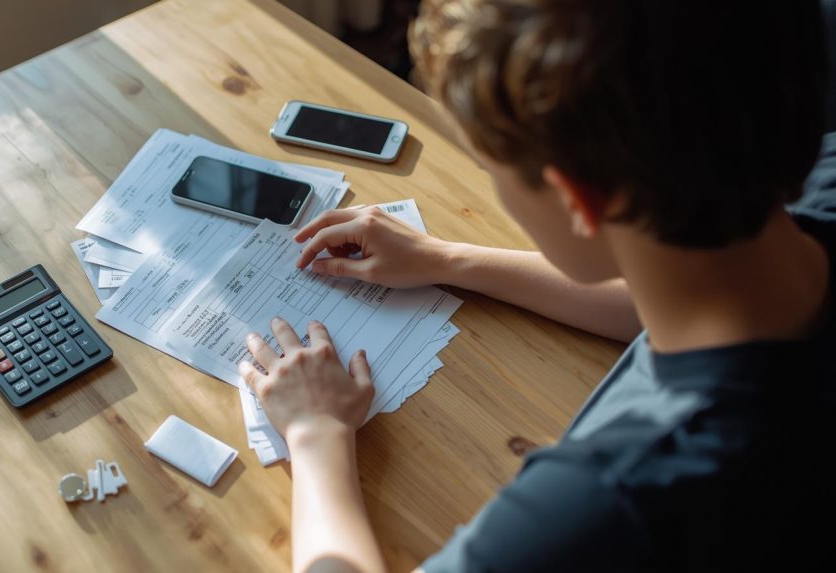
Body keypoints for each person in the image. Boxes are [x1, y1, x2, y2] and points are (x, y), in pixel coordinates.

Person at [239, 1, 836, 571]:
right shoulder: (796, 215)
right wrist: (449, 258)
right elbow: (681, 293)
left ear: (579, 200)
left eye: (488, 168)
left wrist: (317, 434)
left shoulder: (609, 503)